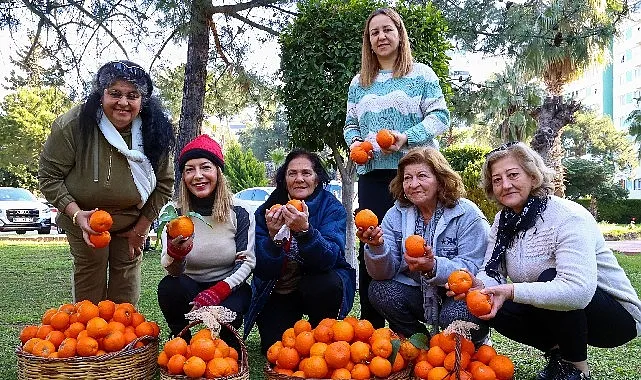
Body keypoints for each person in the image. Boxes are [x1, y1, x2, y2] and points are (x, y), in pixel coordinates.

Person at [464, 141, 641, 380]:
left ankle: (577, 370)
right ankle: (559, 356)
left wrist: (512, 290)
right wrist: (481, 286)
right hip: (558, 312)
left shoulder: (568, 216)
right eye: (497, 180)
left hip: (615, 318)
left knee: (551, 278)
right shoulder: (503, 221)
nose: (505, 185)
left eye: (513, 174)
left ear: (533, 176)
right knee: (493, 305)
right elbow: (492, 270)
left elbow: (577, 291)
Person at [343, 7, 450, 327]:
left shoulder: (422, 75)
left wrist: (407, 138)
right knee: (373, 241)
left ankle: (438, 314)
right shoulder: (359, 83)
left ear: (400, 34)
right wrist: (355, 144)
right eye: (375, 32)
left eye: (387, 29)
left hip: (415, 174)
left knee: (421, 241)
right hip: (374, 175)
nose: (381, 36)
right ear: (369, 42)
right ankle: (372, 325)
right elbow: (350, 126)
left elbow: (439, 117)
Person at [39, 60, 174, 305]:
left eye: (132, 95)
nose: (123, 102)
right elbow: (50, 177)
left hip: (132, 223)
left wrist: (140, 230)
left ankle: (123, 344)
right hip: (85, 221)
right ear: (100, 95)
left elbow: (165, 183)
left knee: (125, 302)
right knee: (89, 298)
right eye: (115, 93)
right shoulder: (73, 125)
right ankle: (89, 340)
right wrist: (77, 214)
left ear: (142, 101)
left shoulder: (154, 131)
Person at [358, 147, 489, 343]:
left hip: (459, 294)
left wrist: (433, 266)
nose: (413, 184)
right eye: (407, 178)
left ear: (440, 178)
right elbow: (383, 274)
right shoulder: (396, 214)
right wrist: (377, 247)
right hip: (417, 293)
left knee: (453, 316)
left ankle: (471, 345)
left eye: (422, 176)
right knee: (379, 289)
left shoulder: (466, 214)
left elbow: (474, 267)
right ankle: (420, 345)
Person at [243, 149, 356, 354]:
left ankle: (323, 329)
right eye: (292, 173)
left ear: (317, 178)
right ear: (284, 179)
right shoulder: (267, 211)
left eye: (306, 173)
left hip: (317, 285)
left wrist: (305, 232)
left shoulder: (332, 208)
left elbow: (329, 258)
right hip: (279, 288)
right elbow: (261, 269)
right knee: (276, 350)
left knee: (324, 284)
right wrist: (274, 239)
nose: (299, 179)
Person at [157, 134, 255, 342]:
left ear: (218, 172)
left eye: (205, 167)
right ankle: (181, 338)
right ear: (183, 176)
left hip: (228, 286)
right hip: (188, 284)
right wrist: (178, 254)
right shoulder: (173, 213)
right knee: (169, 287)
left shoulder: (240, 211)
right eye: (189, 170)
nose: (198, 176)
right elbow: (170, 268)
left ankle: (226, 340)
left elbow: (246, 262)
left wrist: (217, 292)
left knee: (227, 350)